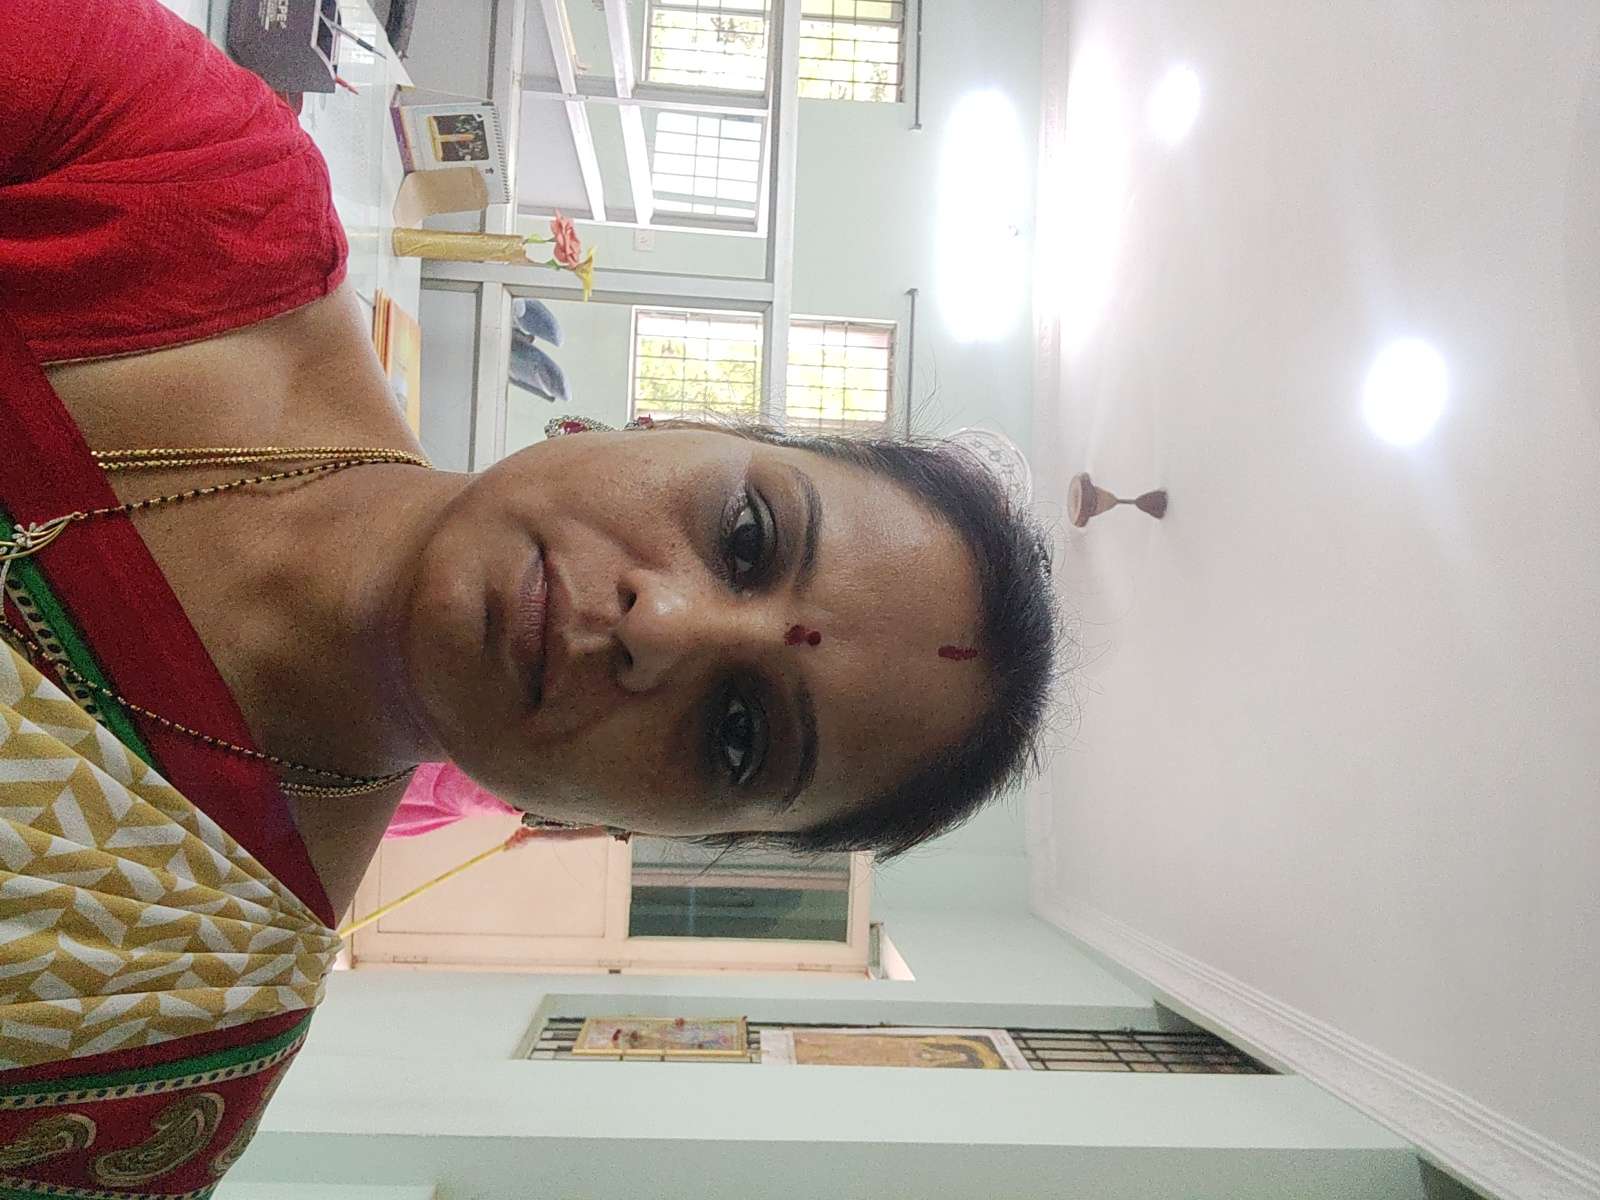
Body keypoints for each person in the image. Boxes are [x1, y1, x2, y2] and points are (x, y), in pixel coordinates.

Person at [0, 0, 1056, 1193]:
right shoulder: (187, 179)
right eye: (747, 536)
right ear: (660, 422)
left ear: (635, 835)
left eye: (739, 733)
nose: (662, 626)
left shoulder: (152, 1038)